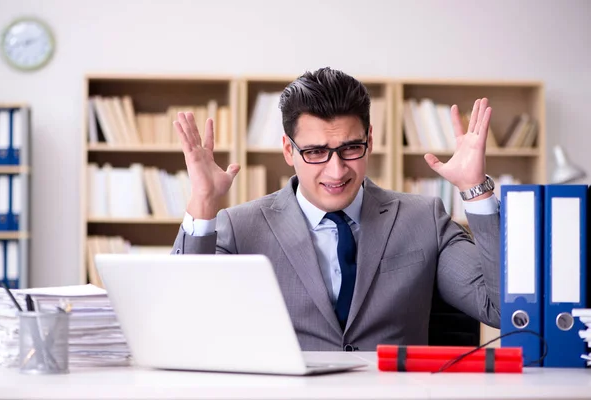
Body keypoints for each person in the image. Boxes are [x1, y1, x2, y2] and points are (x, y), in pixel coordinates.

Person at [171, 67, 500, 351]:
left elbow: (500, 308)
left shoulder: (423, 218)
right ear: (289, 150)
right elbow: (183, 322)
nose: (336, 171)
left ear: (369, 140)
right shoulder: (240, 227)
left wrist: (476, 192)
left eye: (351, 148)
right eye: (315, 152)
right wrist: (203, 201)